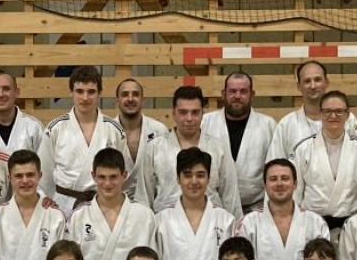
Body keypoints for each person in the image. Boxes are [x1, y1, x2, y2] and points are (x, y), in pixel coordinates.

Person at [136, 86, 241, 217]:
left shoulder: (218, 148)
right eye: (183, 112)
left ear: (203, 114)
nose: (189, 118)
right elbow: (143, 197)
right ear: (174, 114)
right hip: (165, 225)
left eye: (195, 112)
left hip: (211, 225)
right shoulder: (154, 148)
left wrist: (236, 229)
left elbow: (230, 195)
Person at [37, 66, 129, 215]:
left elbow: (124, 174)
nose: (85, 98)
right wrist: (44, 198)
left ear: (100, 93)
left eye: (91, 92)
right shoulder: (55, 128)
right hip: (63, 206)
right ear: (71, 92)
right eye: (79, 91)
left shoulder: (114, 130)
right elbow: (42, 173)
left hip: (103, 204)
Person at [156, 147, 235, 260]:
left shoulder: (225, 220)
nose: (194, 181)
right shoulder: (161, 220)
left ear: (209, 179)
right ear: (178, 179)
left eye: (200, 175)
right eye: (187, 175)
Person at [68, 147, 156, 260]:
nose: (107, 183)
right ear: (93, 176)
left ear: (124, 175)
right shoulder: (79, 216)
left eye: (113, 177)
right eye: (102, 177)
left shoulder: (144, 215)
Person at [235, 159, 329, 260]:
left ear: (295, 184)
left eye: (285, 178)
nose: (279, 184)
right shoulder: (248, 223)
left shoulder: (315, 223)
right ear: (265, 185)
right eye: (273, 179)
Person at [292, 91, 357, 238]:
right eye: (327, 111)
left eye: (339, 111)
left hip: (352, 228)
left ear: (348, 114)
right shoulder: (303, 149)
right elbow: (295, 194)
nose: (333, 116)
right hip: (312, 227)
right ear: (320, 114)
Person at [202, 72, 277, 213]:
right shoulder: (206, 122)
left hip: (256, 208)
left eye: (243, 91)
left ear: (252, 94)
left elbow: (274, 168)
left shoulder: (268, 125)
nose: (237, 96)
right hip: (213, 208)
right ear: (223, 93)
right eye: (232, 91)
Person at [267, 60, 357, 161]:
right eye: (307, 81)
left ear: (327, 82)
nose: (313, 86)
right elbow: (275, 165)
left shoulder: (348, 119)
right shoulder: (286, 125)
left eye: (317, 80)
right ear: (299, 87)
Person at [113, 78, 169, 199]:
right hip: (116, 204)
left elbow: (166, 173)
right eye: (125, 94)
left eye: (136, 94)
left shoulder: (159, 131)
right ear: (117, 100)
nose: (130, 99)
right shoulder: (106, 131)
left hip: (152, 204)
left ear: (143, 100)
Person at [0, 72, 44, 153]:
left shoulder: (33, 127)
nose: (1, 94)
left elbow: (44, 163)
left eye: (6, 89)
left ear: (17, 92)